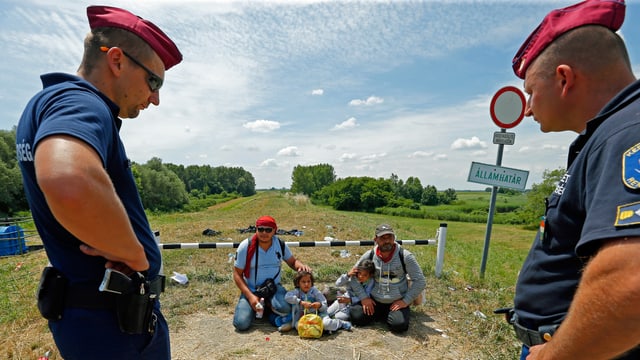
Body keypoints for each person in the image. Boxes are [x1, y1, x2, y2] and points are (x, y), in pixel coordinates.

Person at [15, 5, 182, 359]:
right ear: (117, 61)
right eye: (154, 81)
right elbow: (68, 179)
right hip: (113, 326)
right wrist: (135, 255)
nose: (155, 98)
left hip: (92, 320)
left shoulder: (48, 102)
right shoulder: (81, 102)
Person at [508, 0, 640, 359]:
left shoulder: (627, 132)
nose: (529, 108)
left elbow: (631, 283)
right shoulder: (608, 133)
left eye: (531, 92)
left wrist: (555, 355)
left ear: (564, 78)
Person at [232, 215, 311, 331]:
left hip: (273, 288)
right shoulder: (246, 246)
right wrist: (250, 297)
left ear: (275, 230)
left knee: (286, 308)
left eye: (268, 230)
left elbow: (293, 262)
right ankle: (258, 305)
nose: (264, 233)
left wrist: (301, 266)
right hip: (252, 290)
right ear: (256, 229)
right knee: (241, 324)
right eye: (260, 229)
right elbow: (237, 274)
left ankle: (269, 310)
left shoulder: (280, 244)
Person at [349, 224, 426, 333]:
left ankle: (391, 316)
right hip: (374, 300)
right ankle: (383, 316)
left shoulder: (405, 256)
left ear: (394, 238)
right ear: (375, 239)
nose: (387, 241)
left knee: (399, 326)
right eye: (382, 238)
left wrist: (405, 301)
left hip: (396, 302)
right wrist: (364, 298)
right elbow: (353, 276)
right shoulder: (370, 255)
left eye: (389, 237)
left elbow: (420, 281)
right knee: (356, 317)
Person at [284, 270, 352, 334]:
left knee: (326, 324)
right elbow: (287, 297)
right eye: (303, 282)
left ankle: (340, 323)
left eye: (308, 281)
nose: (306, 284)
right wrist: (300, 302)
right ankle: (321, 330)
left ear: (312, 282)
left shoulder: (315, 291)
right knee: (298, 326)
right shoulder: (297, 292)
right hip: (304, 317)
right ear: (298, 283)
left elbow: (324, 304)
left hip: (319, 315)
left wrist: (319, 305)